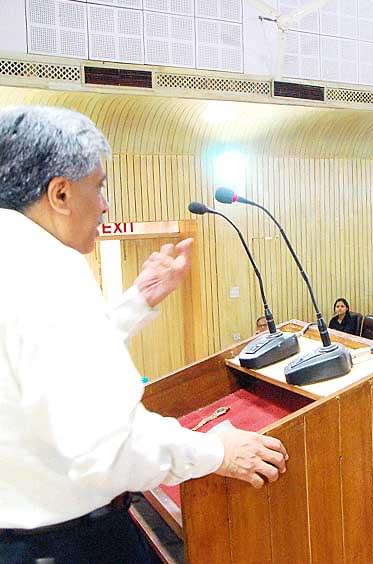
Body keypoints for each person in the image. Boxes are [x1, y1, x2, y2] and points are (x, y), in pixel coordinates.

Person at [0, 106, 288, 562]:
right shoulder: (50, 270)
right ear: (59, 193)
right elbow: (106, 447)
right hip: (69, 543)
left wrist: (136, 303)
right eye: (98, 186)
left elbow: (45, 366)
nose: (105, 205)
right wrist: (215, 450)